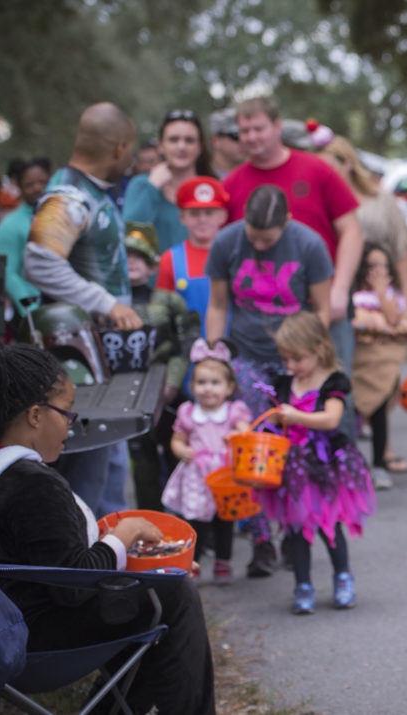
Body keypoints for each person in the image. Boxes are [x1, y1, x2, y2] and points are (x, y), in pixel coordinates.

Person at [0, 339, 216, 714]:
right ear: (34, 415)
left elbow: (54, 566)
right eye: (67, 412)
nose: (70, 426)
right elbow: (73, 584)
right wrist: (124, 537)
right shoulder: (33, 485)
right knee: (174, 596)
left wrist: (149, 568)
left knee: (159, 590)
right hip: (32, 642)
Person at [205, 185, 333, 576]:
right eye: (253, 236)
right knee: (253, 450)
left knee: (295, 448)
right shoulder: (226, 242)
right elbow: (217, 303)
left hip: (295, 361)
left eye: (268, 239)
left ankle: (296, 535)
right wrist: (214, 356)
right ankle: (261, 539)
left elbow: (323, 309)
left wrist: (310, 361)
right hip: (248, 357)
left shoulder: (309, 245)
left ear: (287, 223)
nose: (258, 245)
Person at [24, 101, 142, 516]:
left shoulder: (90, 191)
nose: (130, 159)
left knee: (108, 464)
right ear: (119, 148)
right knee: (87, 477)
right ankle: (85, 569)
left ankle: (108, 564)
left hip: (97, 358)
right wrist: (105, 302)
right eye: (130, 151)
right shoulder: (69, 194)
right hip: (76, 360)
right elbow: (39, 259)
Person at [223, 97, 363, 406]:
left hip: (321, 306)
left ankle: (342, 455)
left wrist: (339, 289)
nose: (251, 137)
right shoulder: (233, 184)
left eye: (258, 128)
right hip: (263, 318)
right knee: (270, 404)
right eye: (244, 131)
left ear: (276, 126)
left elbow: (351, 230)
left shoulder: (316, 170)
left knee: (333, 395)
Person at [259, 311, 375, 614]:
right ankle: (303, 585)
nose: (290, 367)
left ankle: (342, 577)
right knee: (296, 528)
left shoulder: (333, 382)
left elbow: (331, 419)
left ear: (319, 349)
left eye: (297, 359)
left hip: (324, 464)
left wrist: (297, 416)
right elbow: (274, 419)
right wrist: (272, 421)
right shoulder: (284, 383)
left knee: (328, 524)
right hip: (292, 466)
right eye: (286, 360)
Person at [316, 131, 407, 474]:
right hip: (340, 291)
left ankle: (381, 447)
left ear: (347, 163)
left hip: (378, 290)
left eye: (329, 165)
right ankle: (347, 448)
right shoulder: (320, 197)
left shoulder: (378, 199)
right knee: (347, 368)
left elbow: (401, 248)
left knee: (383, 368)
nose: (322, 172)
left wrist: (404, 296)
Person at [163, 338, 252, 584]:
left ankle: (223, 562)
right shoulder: (189, 413)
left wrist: (236, 436)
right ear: (192, 386)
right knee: (196, 522)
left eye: (215, 383)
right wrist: (181, 450)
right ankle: (195, 562)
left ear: (229, 387)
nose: (208, 389)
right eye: (201, 383)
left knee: (224, 520)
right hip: (198, 477)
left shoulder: (233, 411)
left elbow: (247, 433)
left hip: (225, 476)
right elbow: (177, 440)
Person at [123, 222, 197, 511]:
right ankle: (149, 522)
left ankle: (185, 524)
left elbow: (188, 340)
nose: (131, 261)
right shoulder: (107, 304)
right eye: (126, 255)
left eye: (139, 256)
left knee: (176, 457)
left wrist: (173, 382)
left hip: (166, 393)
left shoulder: (169, 301)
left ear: (152, 266)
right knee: (141, 464)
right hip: (126, 396)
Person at [350, 242, 407, 490]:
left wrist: (381, 293)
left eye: (383, 266)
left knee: (379, 412)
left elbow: (394, 319)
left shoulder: (392, 296)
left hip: (382, 366)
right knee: (350, 415)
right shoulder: (353, 294)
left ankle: (378, 464)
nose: (378, 271)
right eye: (372, 266)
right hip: (358, 363)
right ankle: (351, 465)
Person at [123, 109, 216, 253]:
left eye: (189, 140)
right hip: (154, 275)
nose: (181, 146)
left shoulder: (211, 189)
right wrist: (152, 187)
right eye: (173, 140)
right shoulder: (141, 185)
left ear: (200, 147)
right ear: (160, 146)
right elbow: (128, 234)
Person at [157, 176, 231, 336]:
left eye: (209, 213)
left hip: (234, 350)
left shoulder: (234, 256)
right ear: (182, 218)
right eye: (194, 214)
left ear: (223, 216)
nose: (202, 220)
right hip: (187, 354)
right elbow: (162, 312)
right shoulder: (170, 259)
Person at [0, 157, 51, 318]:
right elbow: (8, 273)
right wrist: (31, 311)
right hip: (33, 311)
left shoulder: (63, 217)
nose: (37, 188)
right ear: (19, 187)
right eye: (29, 184)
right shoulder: (9, 225)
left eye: (42, 182)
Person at [208, 108, 246, 179]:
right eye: (236, 136)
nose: (243, 140)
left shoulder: (256, 172)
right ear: (215, 141)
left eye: (245, 134)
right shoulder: (203, 175)